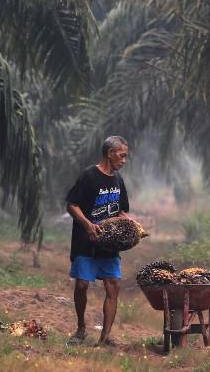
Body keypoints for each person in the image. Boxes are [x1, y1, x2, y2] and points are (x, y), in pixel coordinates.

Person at [65, 135, 131, 347]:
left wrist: (131, 225)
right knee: (82, 285)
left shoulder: (118, 180)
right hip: (86, 241)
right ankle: (81, 328)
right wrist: (87, 224)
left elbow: (120, 210)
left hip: (109, 244)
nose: (124, 160)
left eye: (125, 157)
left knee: (113, 286)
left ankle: (105, 337)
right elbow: (72, 205)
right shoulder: (89, 176)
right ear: (110, 153)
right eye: (122, 156)